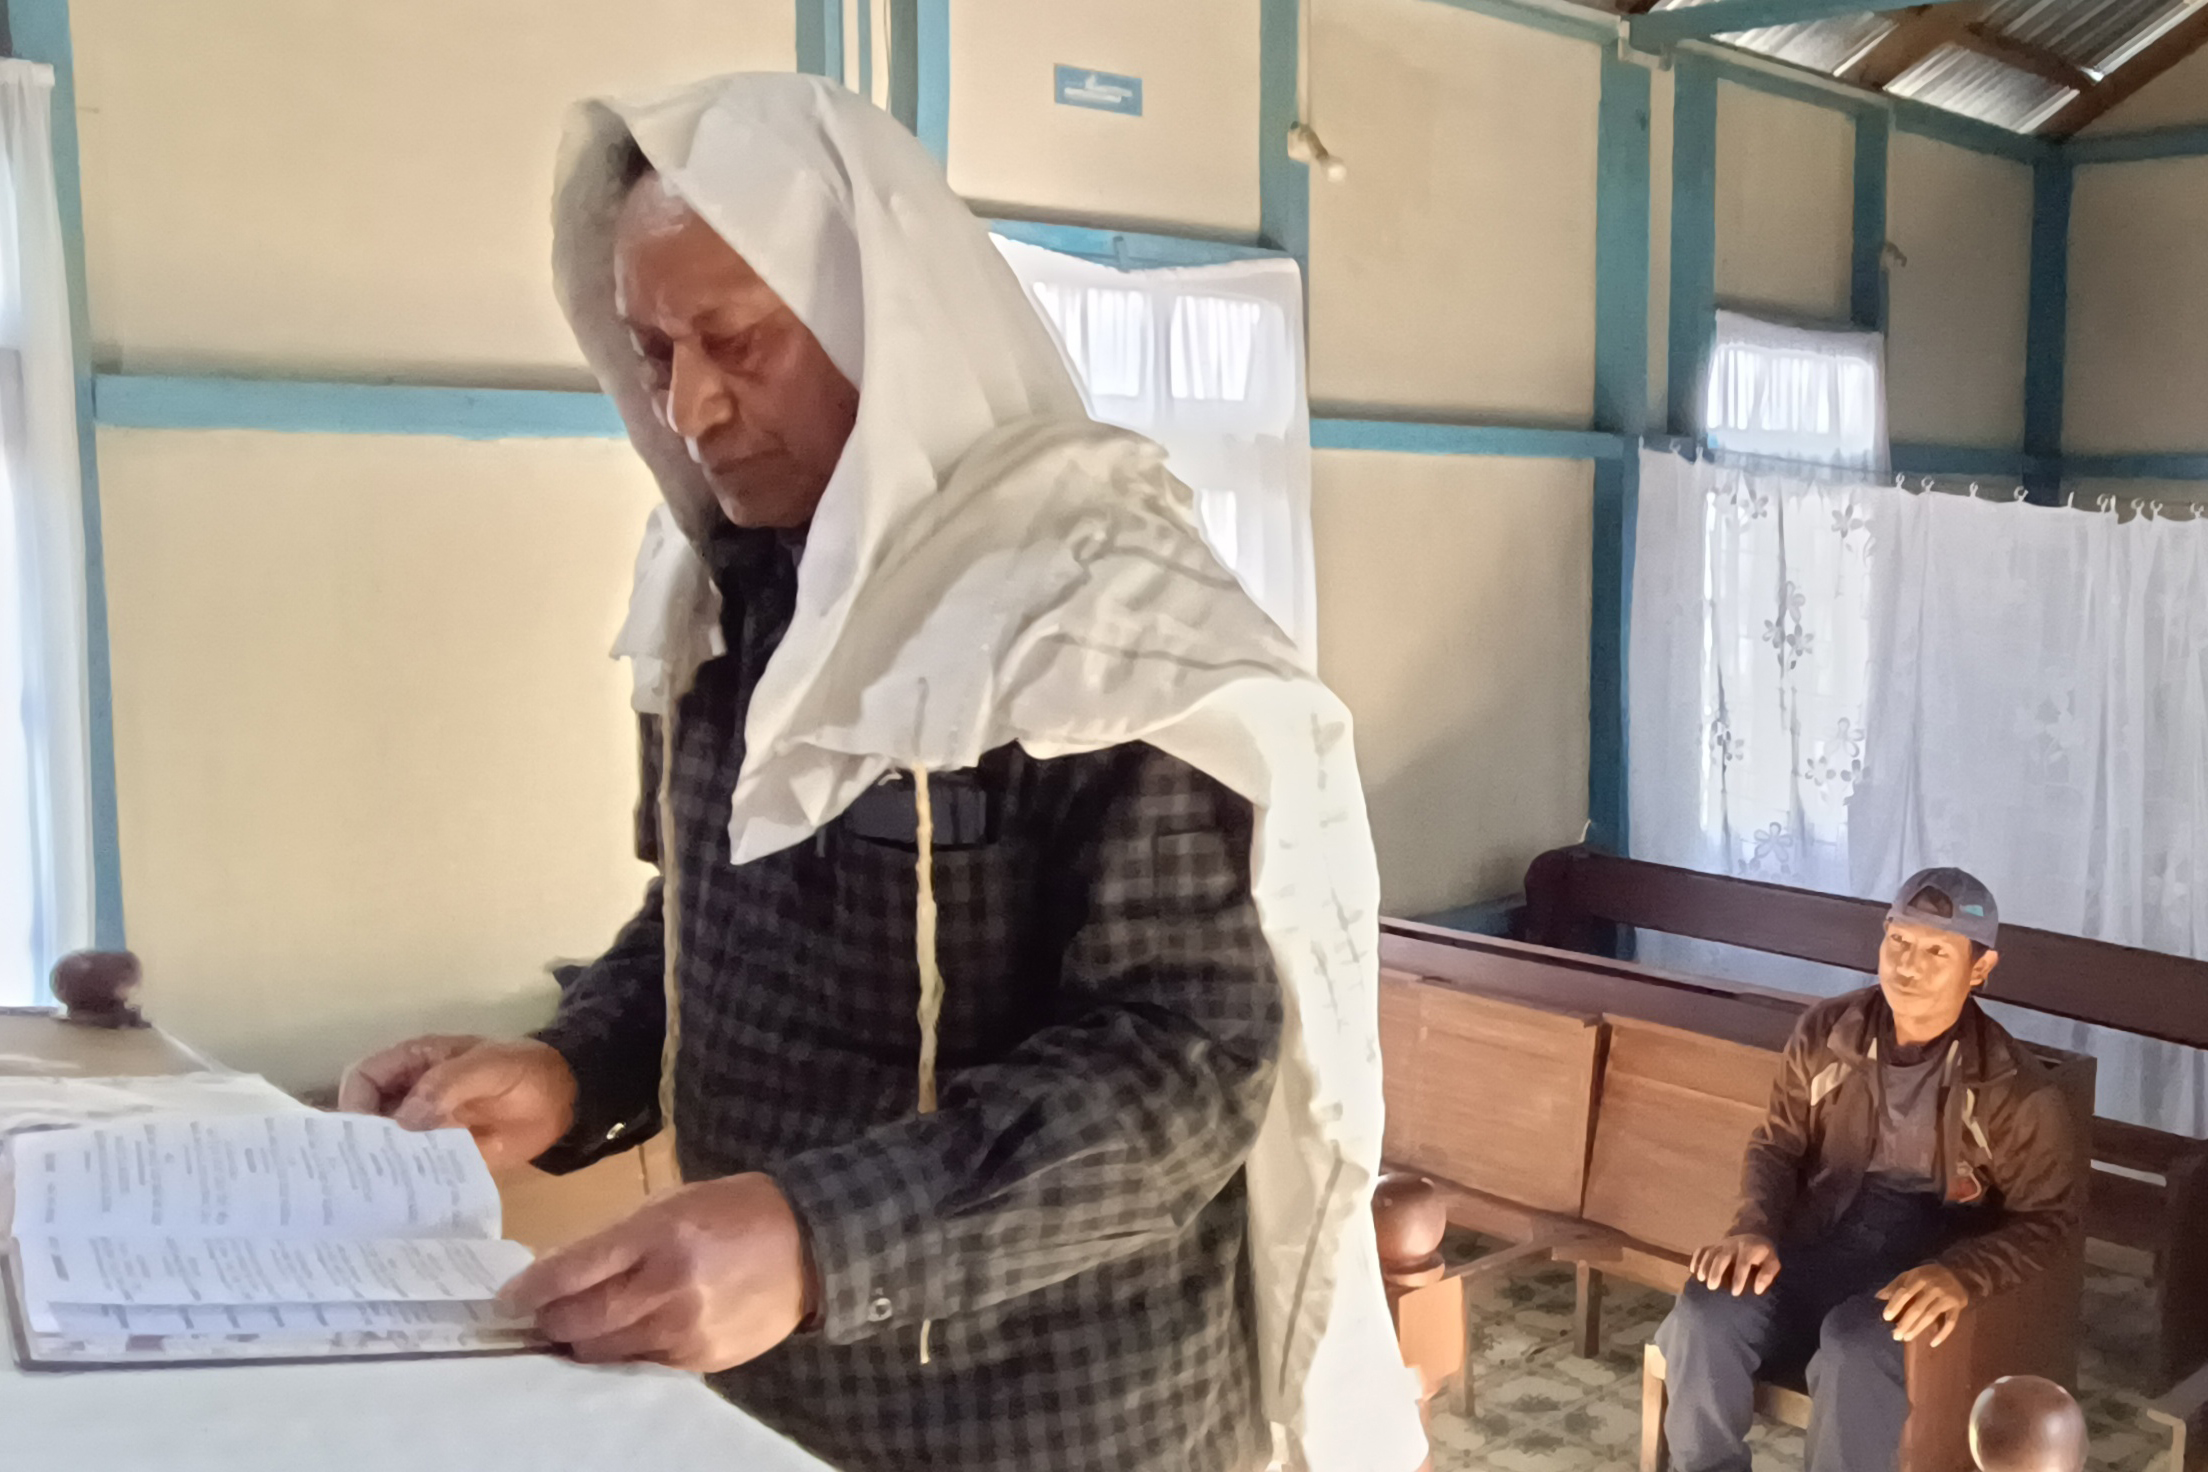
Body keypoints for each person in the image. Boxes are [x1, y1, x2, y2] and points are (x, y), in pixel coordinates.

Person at [338, 74, 1422, 1472]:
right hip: (766, 1386)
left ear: (879, 329)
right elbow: (708, 920)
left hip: (1058, 1417)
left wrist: (816, 1235)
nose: (691, 407)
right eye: (654, 349)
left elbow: (1183, 1066)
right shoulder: (724, 597)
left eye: (735, 342)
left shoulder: (1100, 624)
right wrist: (570, 1066)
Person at [1655, 868, 2084, 1472]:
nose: (1909, 966)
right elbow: (1778, 1144)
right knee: (1708, 1307)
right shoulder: (1827, 1034)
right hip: (1816, 1240)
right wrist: (1752, 1226)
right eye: (1899, 942)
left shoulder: (2014, 1090)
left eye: (1937, 951)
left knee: (1855, 1344)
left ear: (1981, 969)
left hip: (1918, 1268)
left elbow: (2047, 1219)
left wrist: (1961, 1275)